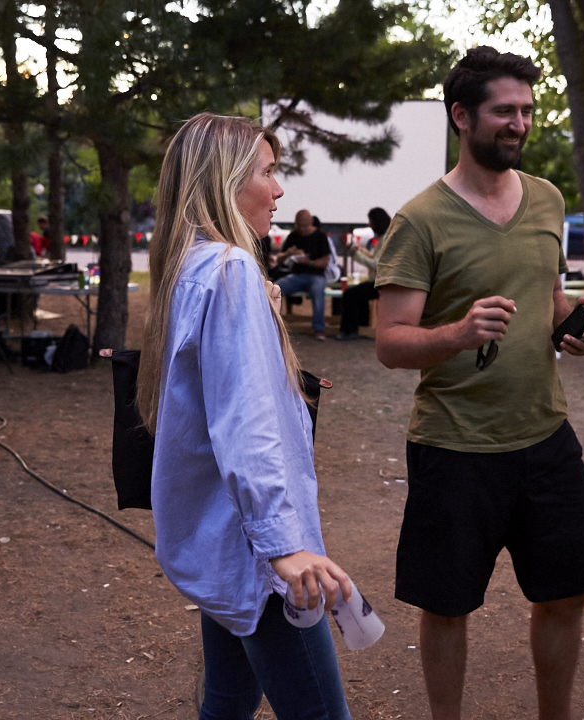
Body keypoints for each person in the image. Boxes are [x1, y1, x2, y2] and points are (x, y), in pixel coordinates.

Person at [374, 47, 584, 720]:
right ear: (462, 116)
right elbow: (390, 342)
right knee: (447, 606)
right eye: (505, 110)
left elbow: (551, 297)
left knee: (568, 592)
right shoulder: (420, 220)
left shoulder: (547, 199)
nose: (520, 123)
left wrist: (571, 329)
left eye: (527, 110)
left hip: (544, 435)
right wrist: (457, 332)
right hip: (453, 446)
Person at [137, 113, 353, 718]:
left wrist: (265, 317)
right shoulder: (228, 270)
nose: (279, 190)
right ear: (224, 182)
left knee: (228, 703)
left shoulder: (192, 266)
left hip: (223, 535)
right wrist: (283, 548)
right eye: (267, 173)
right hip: (256, 553)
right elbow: (246, 423)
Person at [275, 209, 332, 340]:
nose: (302, 229)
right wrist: (288, 253)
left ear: (311, 222)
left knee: (318, 291)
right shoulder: (293, 236)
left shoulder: (320, 236)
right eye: (299, 226)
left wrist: (309, 262)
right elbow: (279, 259)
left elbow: (325, 262)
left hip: (316, 275)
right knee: (276, 288)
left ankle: (319, 328)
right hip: (296, 275)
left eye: (305, 226)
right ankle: (275, 325)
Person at [335, 207, 390, 340]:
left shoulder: (386, 239)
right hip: (381, 281)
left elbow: (376, 263)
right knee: (359, 294)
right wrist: (360, 251)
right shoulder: (386, 237)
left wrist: (357, 254)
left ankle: (350, 331)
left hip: (381, 283)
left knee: (350, 295)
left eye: (370, 222)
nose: (369, 225)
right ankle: (362, 325)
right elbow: (375, 257)